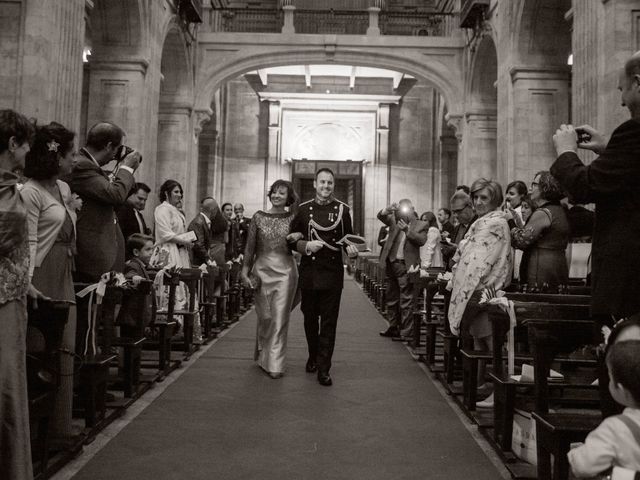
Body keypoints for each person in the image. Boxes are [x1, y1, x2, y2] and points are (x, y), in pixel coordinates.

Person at [551, 51, 640, 320]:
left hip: (629, 278)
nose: (622, 102)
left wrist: (566, 152)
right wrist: (610, 150)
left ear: (637, 82)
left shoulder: (633, 132)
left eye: (622, 90)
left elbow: (583, 187)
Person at [21, 122, 79, 444]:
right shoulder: (29, 191)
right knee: (41, 348)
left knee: (66, 347)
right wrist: (28, 282)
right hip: (40, 272)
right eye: (71, 154)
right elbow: (28, 242)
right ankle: (35, 434)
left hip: (63, 270)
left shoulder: (64, 189)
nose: (74, 161)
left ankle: (59, 426)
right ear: (55, 156)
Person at [289, 168, 359, 386]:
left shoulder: (342, 210)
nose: (326, 187)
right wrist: (305, 245)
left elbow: (349, 240)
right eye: (322, 182)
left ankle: (324, 367)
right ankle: (313, 354)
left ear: (333, 185)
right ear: (314, 184)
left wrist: (352, 251)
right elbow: (290, 240)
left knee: (329, 323)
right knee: (310, 320)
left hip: (332, 274)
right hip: (309, 272)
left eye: (330, 183)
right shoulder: (302, 210)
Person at [448, 179, 512, 405]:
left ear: (494, 199)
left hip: (484, 289)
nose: (478, 202)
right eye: (476, 197)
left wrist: (464, 290)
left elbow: (480, 262)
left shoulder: (494, 223)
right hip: (476, 289)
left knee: (491, 343)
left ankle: (500, 393)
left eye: (484, 198)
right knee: (479, 341)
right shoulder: (484, 222)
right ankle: (479, 385)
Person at [0, 109, 35, 480]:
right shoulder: (8, 194)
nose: (28, 154)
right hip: (3, 302)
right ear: (12, 144)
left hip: (12, 292)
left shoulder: (12, 190)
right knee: (7, 390)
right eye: (26, 145)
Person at [67, 122, 141, 282]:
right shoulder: (82, 165)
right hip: (89, 261)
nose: (118, 154)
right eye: (119, 148)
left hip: (100, 261)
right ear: (109, 146)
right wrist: (127, 168)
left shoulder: (93, 167)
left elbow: (118, 193)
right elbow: (115, 194)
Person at [241, 180, 300, 379]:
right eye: (274, 192)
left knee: (280, 318)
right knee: (265, 317)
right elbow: (250, 248)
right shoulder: (258, 217)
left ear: (288, 197)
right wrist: (244, 271)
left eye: (281, 193)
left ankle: (275, 363)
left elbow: (301, 242)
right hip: (261, 271)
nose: (276, 196)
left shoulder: (294, 217)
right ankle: (262, 354)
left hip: (286, 272)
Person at [568, 340, 640, 477]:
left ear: (621, 389)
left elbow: (584, 466)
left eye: (610, 378)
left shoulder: (614, 428)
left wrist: (575, 454)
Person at [150, 180, 197, 338]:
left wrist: (185, 239)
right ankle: (167, 327)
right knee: (170, 288)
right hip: (167, 252)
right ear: (166, 193)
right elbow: (164, 233)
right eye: (176, 192)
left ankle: (180, 327)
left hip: (179, 251)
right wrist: (184, 240)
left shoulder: (176, 211)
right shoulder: (162, 209)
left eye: (180, 192)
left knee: (182, 286)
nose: (179, 195)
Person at [508, 171, 569, 291]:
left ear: (545, 188)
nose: (530, 188)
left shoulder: (543, 213)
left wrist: (510, 221)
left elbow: (521, 241)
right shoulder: (558, 209)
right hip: (557, 267)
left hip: (541, 271)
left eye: (534, 184)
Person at [377, 199, 428, 340]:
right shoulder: (394, 220)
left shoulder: (421, 224)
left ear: (412, 209)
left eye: (406, 209)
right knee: (391, 297)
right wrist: (387, 209)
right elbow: (381, 216)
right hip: (391, 262)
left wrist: (407, 230)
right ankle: (393, 327)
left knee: (406, 300)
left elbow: (421, 240)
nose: (404, 212)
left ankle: (406, 332)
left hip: (406, 265)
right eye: (401, 209)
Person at [119, 234, 155, 339]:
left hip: (138, 316)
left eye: (152, 249)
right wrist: (134, 277)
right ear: (136, 252)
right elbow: (129, 274)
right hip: (132, 317)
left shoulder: (141, 265)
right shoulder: (133, 265)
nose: (151, 253)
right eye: (148, 250)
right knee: (132, 342)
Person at [441, 190, 477, 270]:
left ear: (469, 206)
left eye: (458, 211)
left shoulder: (478, 224)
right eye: (454, 212)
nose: (455, 215)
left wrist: (457, 248)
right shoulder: (457, 228)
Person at [116, 182, 152, 254]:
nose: (143, 202)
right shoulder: (122, 211)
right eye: (140, 198)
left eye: (145, 200)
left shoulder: (138, 214)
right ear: (130, 194)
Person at [188, 197, 220, 266]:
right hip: (197, 264)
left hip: (201, 263)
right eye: (216, 209)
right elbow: (198, 245)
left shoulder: (204, 221)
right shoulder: (198, 222)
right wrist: (208, 260)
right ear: (212, 209)